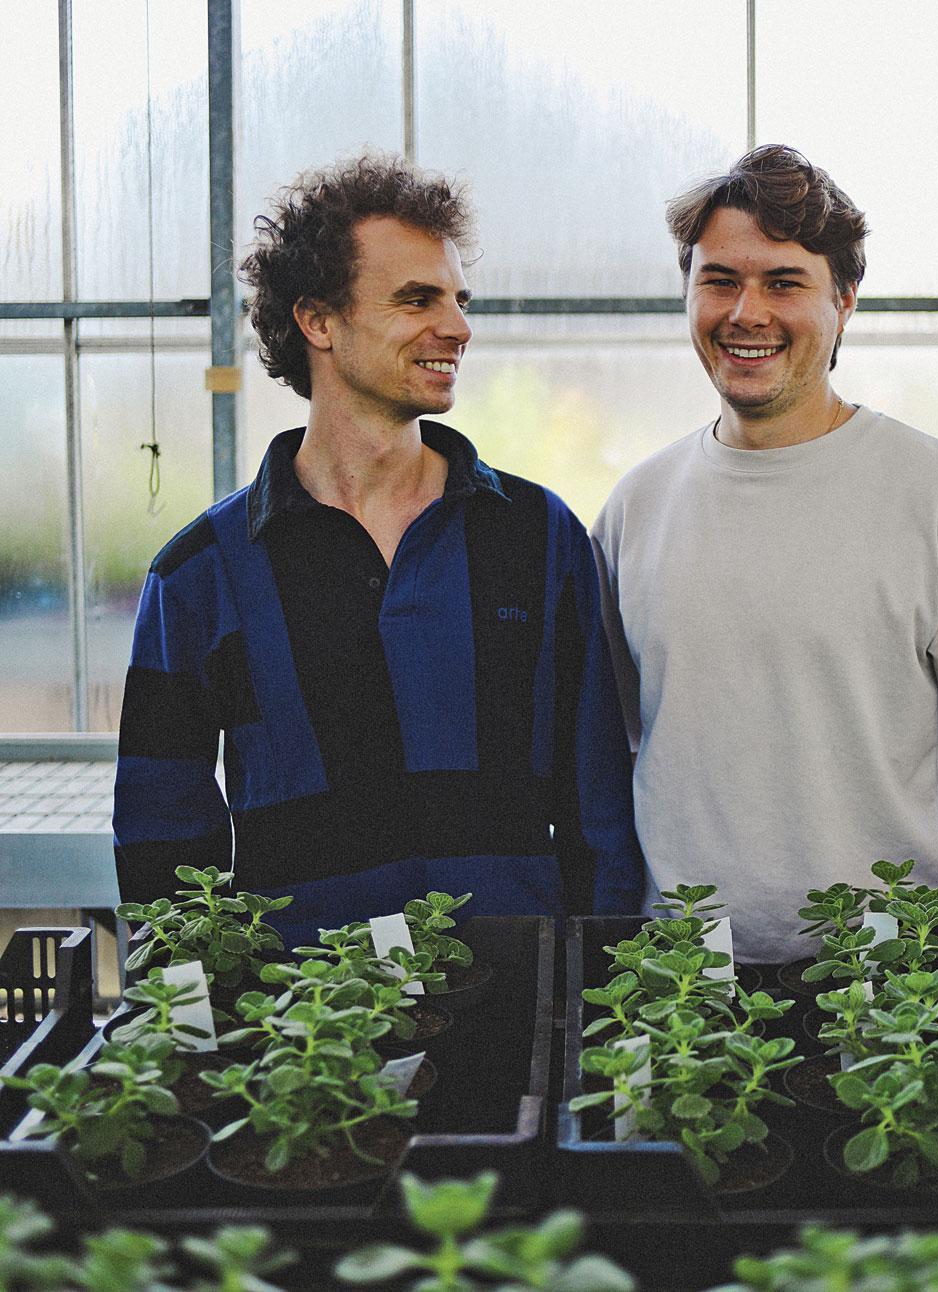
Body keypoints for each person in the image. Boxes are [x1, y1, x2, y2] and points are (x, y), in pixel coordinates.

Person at [113, 153, 641, 945]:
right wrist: (191, 1047)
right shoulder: (201, 574)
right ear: (318, 320)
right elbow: (162, 846)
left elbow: (598, 807)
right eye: (417, 300)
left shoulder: (539, 537)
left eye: (460, 300)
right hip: (312, 1040)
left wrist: (602, 1011)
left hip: (517, 1019)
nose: (458, 327)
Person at [590, 144, 938, 963]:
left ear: (845, 300)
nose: (747, 313)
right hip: (679, 986)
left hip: (876, 986)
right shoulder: (637, 507)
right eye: (719, 280)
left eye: (784, 282)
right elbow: (612, 757)